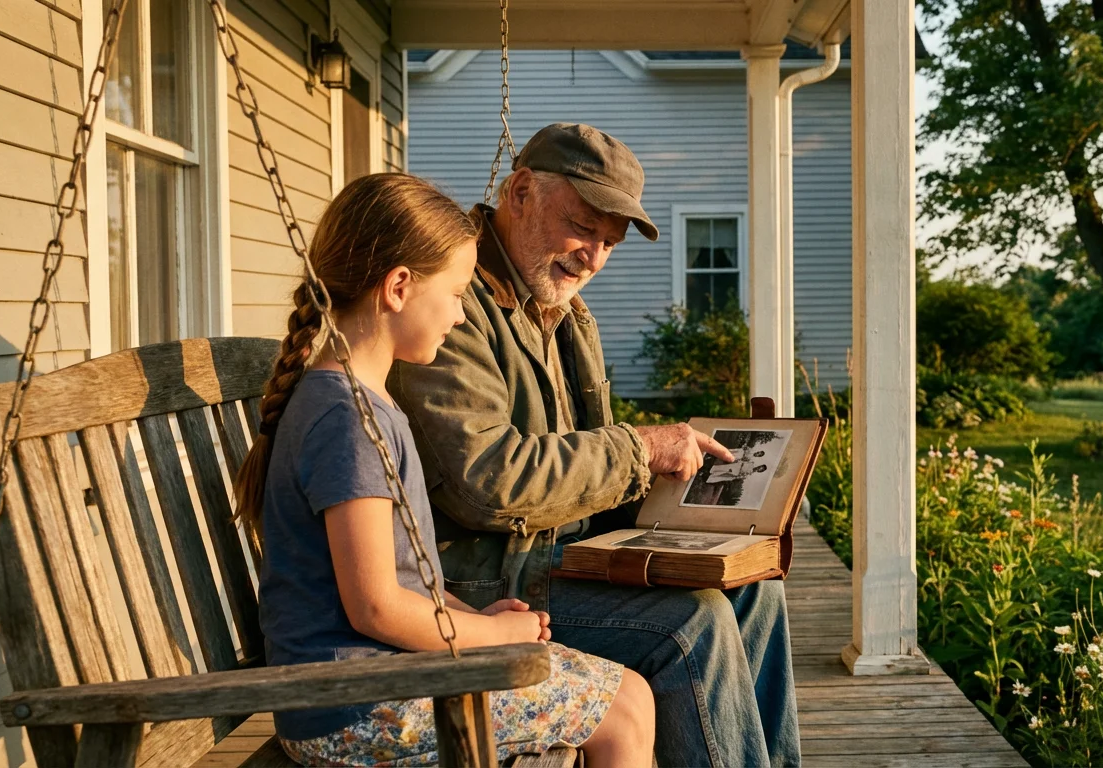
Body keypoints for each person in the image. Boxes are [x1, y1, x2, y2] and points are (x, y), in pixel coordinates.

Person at [389, 123, 801, 766]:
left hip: (564, 555)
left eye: (610, 242)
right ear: (521, 191)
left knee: (753, 589)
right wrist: (640, 451)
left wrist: (690, 515)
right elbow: (486, 479)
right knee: (694, 624)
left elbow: (592, 460)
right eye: (584, 227)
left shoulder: (564, 311)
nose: (594, 257)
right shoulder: (450, 297)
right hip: (486, 583)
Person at [233, 173, 655, 767]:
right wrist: (490, 638)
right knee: (622, 710)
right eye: (456, 293)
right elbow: (375, 606)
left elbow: (403, 580)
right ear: (399, 287)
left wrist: (471, 618)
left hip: (381, 688)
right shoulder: (345, 418)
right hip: (355, 710)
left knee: (626, 694)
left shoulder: (362, 402)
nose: (460, 316)